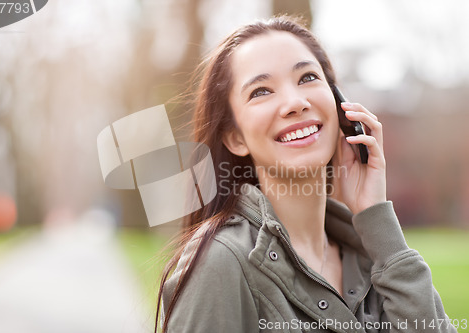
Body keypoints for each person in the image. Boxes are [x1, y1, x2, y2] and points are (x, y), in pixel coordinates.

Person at [155, 15, 456, 332]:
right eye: (261, 91)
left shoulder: (373, 258)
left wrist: (376, 218)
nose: (295, 103)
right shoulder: (220, 264)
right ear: (235, 137)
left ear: (340, 105)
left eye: (307, 78)